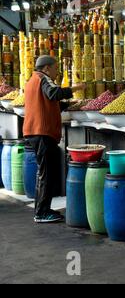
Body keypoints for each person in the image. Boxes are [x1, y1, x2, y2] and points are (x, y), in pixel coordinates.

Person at [24, 55, 86, 223]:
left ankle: (42, 210)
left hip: (34, 132)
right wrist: (75, 88)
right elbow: (54, 93)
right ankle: (42, 213)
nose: (57, 72)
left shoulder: (31, 81)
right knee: (46, 174)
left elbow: (50, 103)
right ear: (46, 68)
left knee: (43, 173)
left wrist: (71, 105)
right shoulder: (43, 78)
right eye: (55, 68)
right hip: (42, 132)